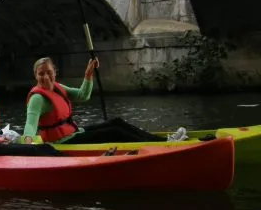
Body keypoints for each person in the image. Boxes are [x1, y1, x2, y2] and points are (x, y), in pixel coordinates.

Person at [23, 56, 170, 145]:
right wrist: (27, 143)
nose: (46, 77)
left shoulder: (57, 87)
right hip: (61, 142)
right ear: (35, 76)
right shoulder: (37, 98)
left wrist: (88, 74)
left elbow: (82, 95)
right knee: (114, 132)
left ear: (55, 72)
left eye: (49, 72)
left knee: (116, 122)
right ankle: (159, 145)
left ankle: (159, 140)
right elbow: (30, 123)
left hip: (74, 133)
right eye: (41, 74)